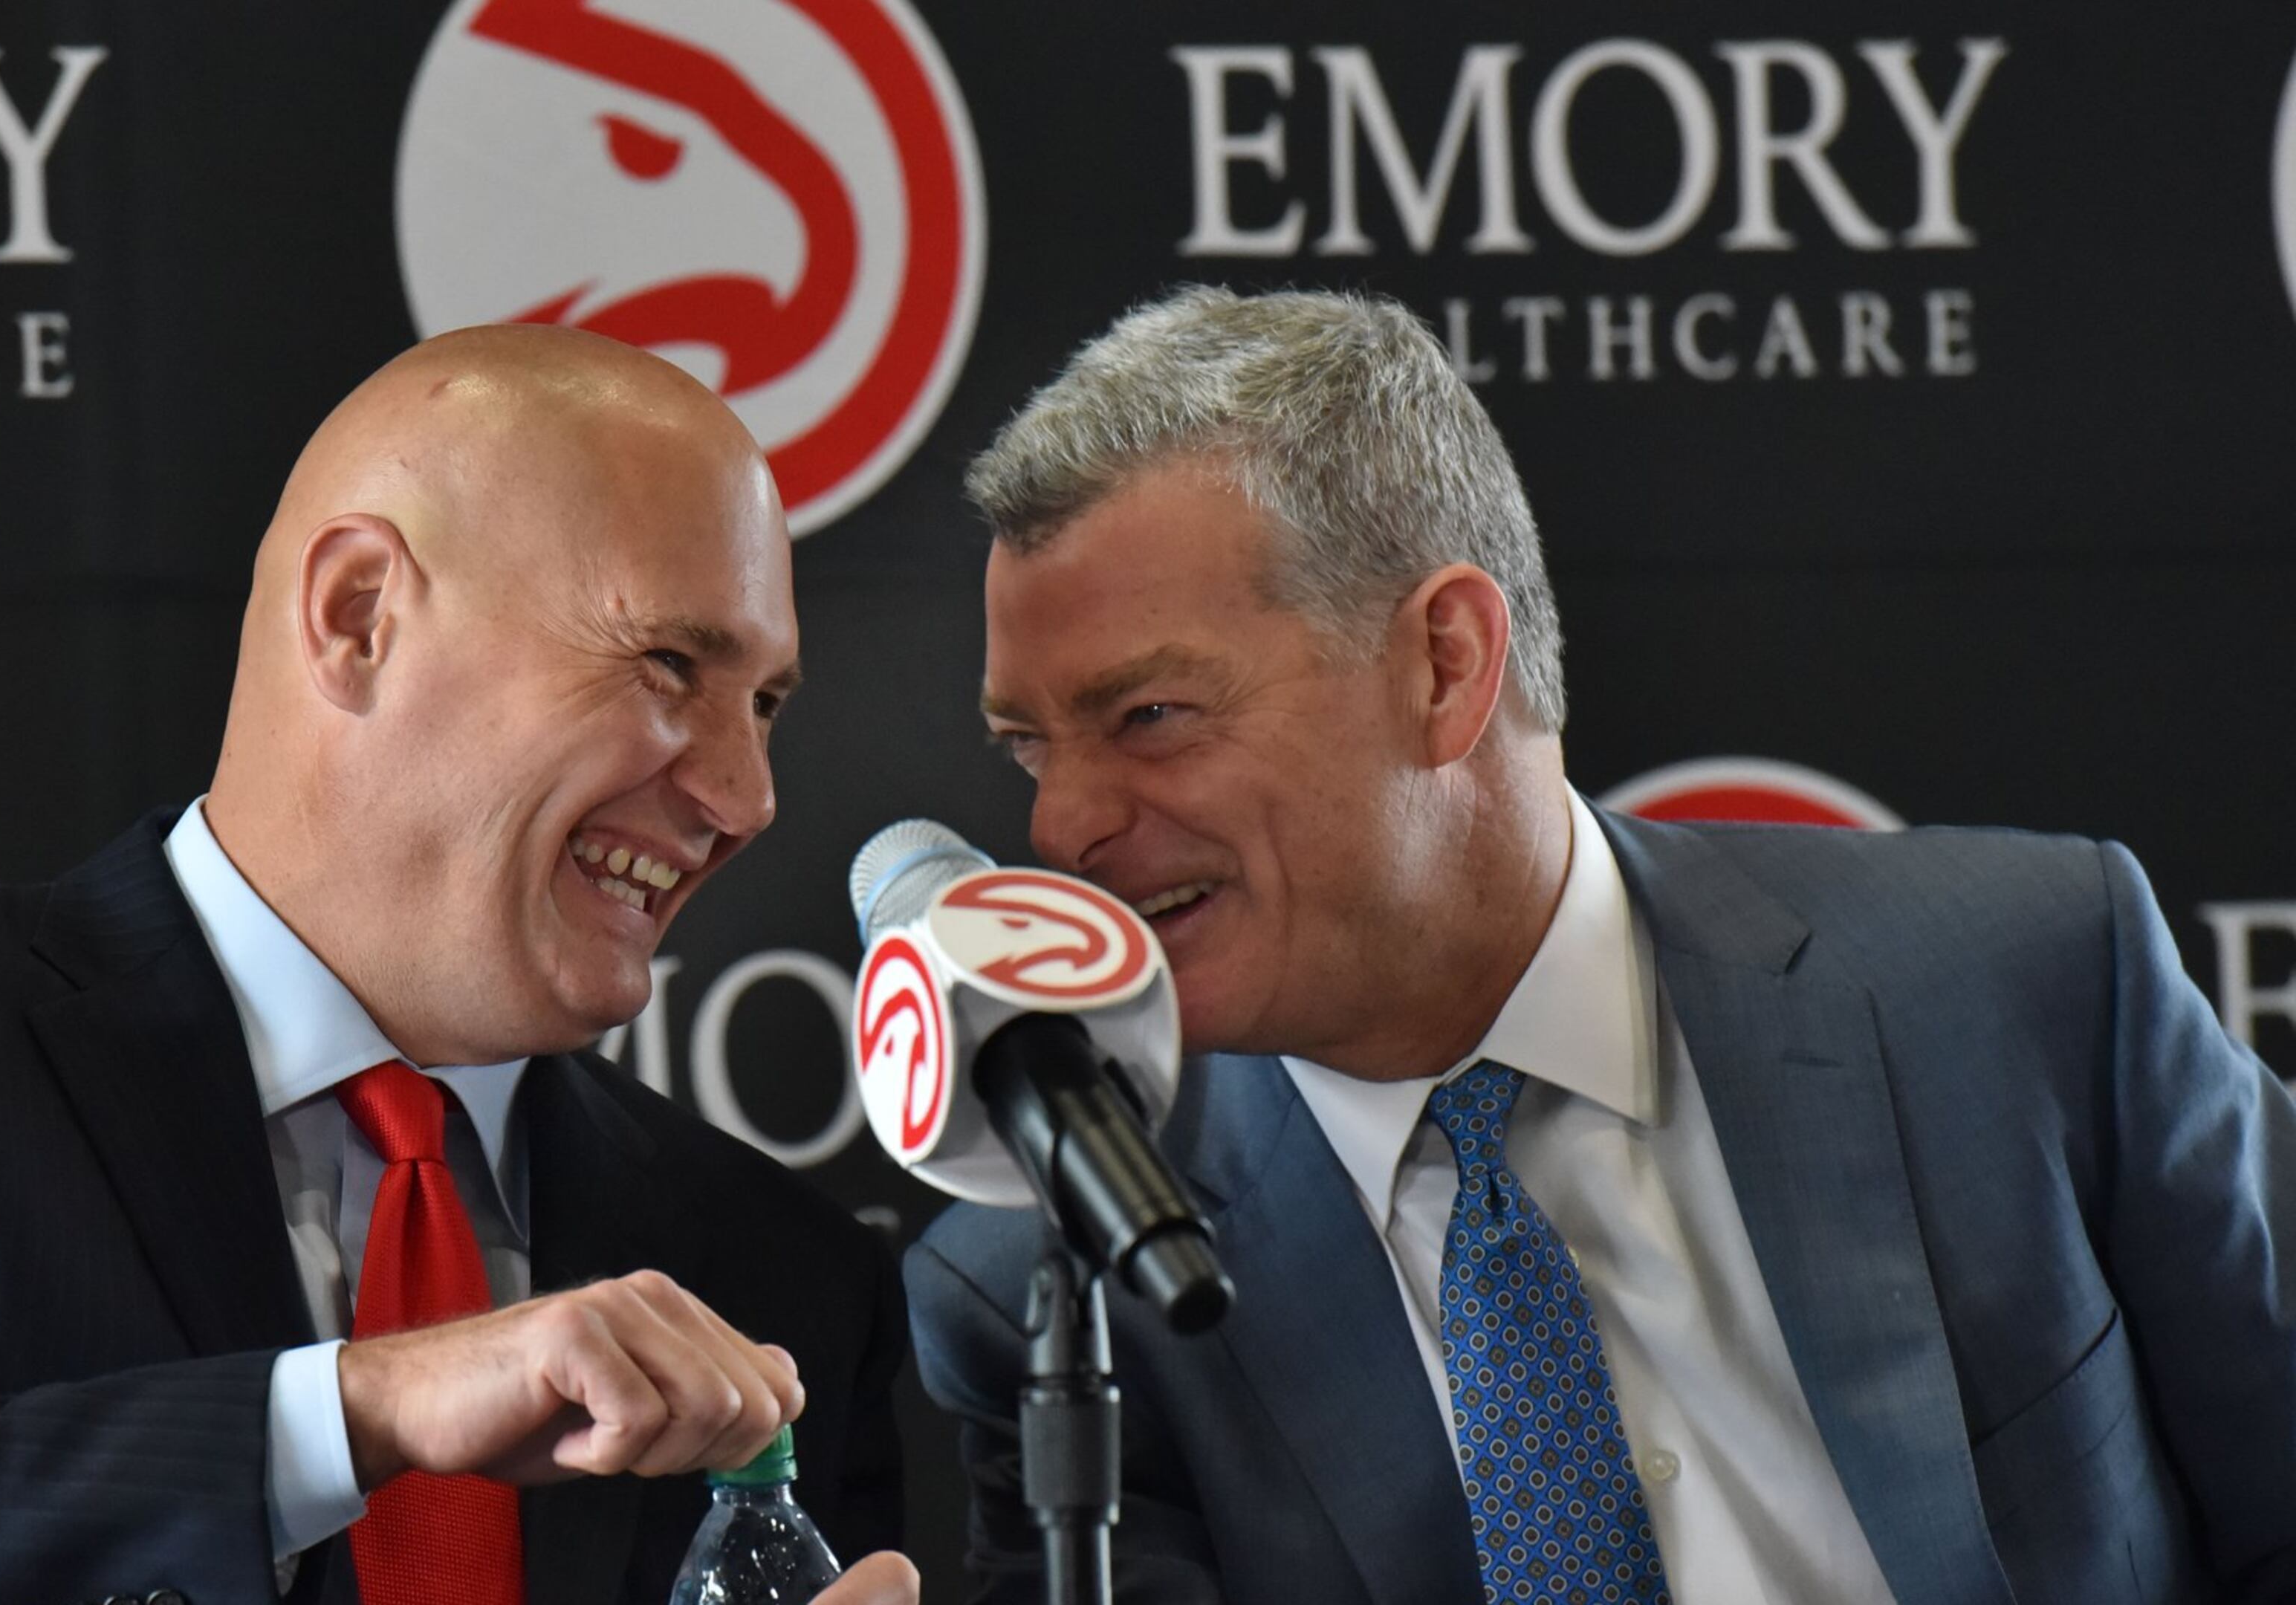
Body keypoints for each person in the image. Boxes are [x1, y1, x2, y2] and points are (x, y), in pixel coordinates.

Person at [907, 285, 2296, 1604]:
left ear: (1446, 663)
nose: (1062, 824)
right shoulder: (1060, 1284)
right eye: (1029, 746)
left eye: (1150, 717)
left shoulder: (2026, 987)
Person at [0, 326, 921, 1605]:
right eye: (668, 664)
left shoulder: (775, 1272)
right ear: (359, 615)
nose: (746, 797)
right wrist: (349, 1416)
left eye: (766, 703)